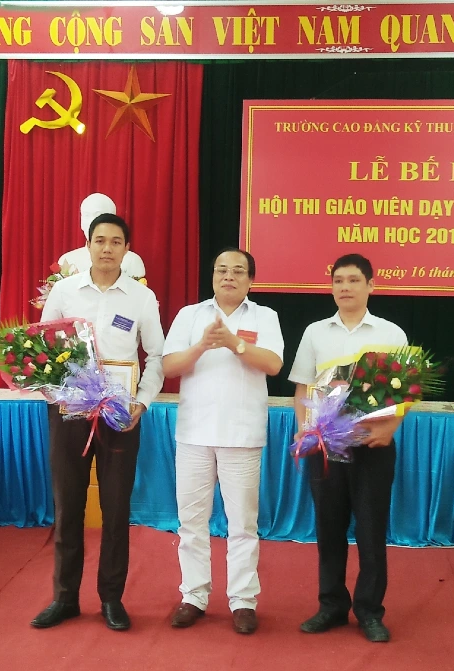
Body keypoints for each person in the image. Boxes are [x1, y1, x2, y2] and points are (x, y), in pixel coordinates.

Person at [32, 213, 164, 632]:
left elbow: (156, 357)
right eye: (100, 240)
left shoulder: (142, 298)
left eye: (116, 241)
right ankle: (65, 598)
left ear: (127, 249)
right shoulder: (65, 291)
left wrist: (142, 402)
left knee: (116, 507)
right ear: (87, 245)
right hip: (70, 413)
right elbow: (41, 346)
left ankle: (111, 598)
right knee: (68, 504)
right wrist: (51, 390)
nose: (107, 248)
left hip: (120, 416)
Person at [162, 247, 284, 635]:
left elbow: (274, 364)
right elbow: (168, 366)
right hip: (194, 434)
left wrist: (234, 343)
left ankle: (243, 600)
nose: (228, 276)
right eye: (221, 270)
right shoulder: (190, 315)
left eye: (238, 271)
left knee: (243, 524)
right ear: (213, 276)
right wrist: (201, 345)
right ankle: (194, 596)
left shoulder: (265, 316)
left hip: (242, 435)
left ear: (251, 280)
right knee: (191, 522)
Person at [288, 253, 408, 643]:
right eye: (338, 280)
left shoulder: (391, 334)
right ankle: (332, 606)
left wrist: (390, 428)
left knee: (371, 532)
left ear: (371, 285)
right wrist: (305, 430)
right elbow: (303, 386)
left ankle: (370, 611)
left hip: (372, 446)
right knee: (329, 529)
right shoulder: (315, 332)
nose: (345, 287)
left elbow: (405, 392)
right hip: (325, 448)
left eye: (354, 280)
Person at [58, 193, 146, 281]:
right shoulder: (67, 260)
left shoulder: (132, 261)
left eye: (98, 215)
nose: (92, 222)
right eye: (86, 215)